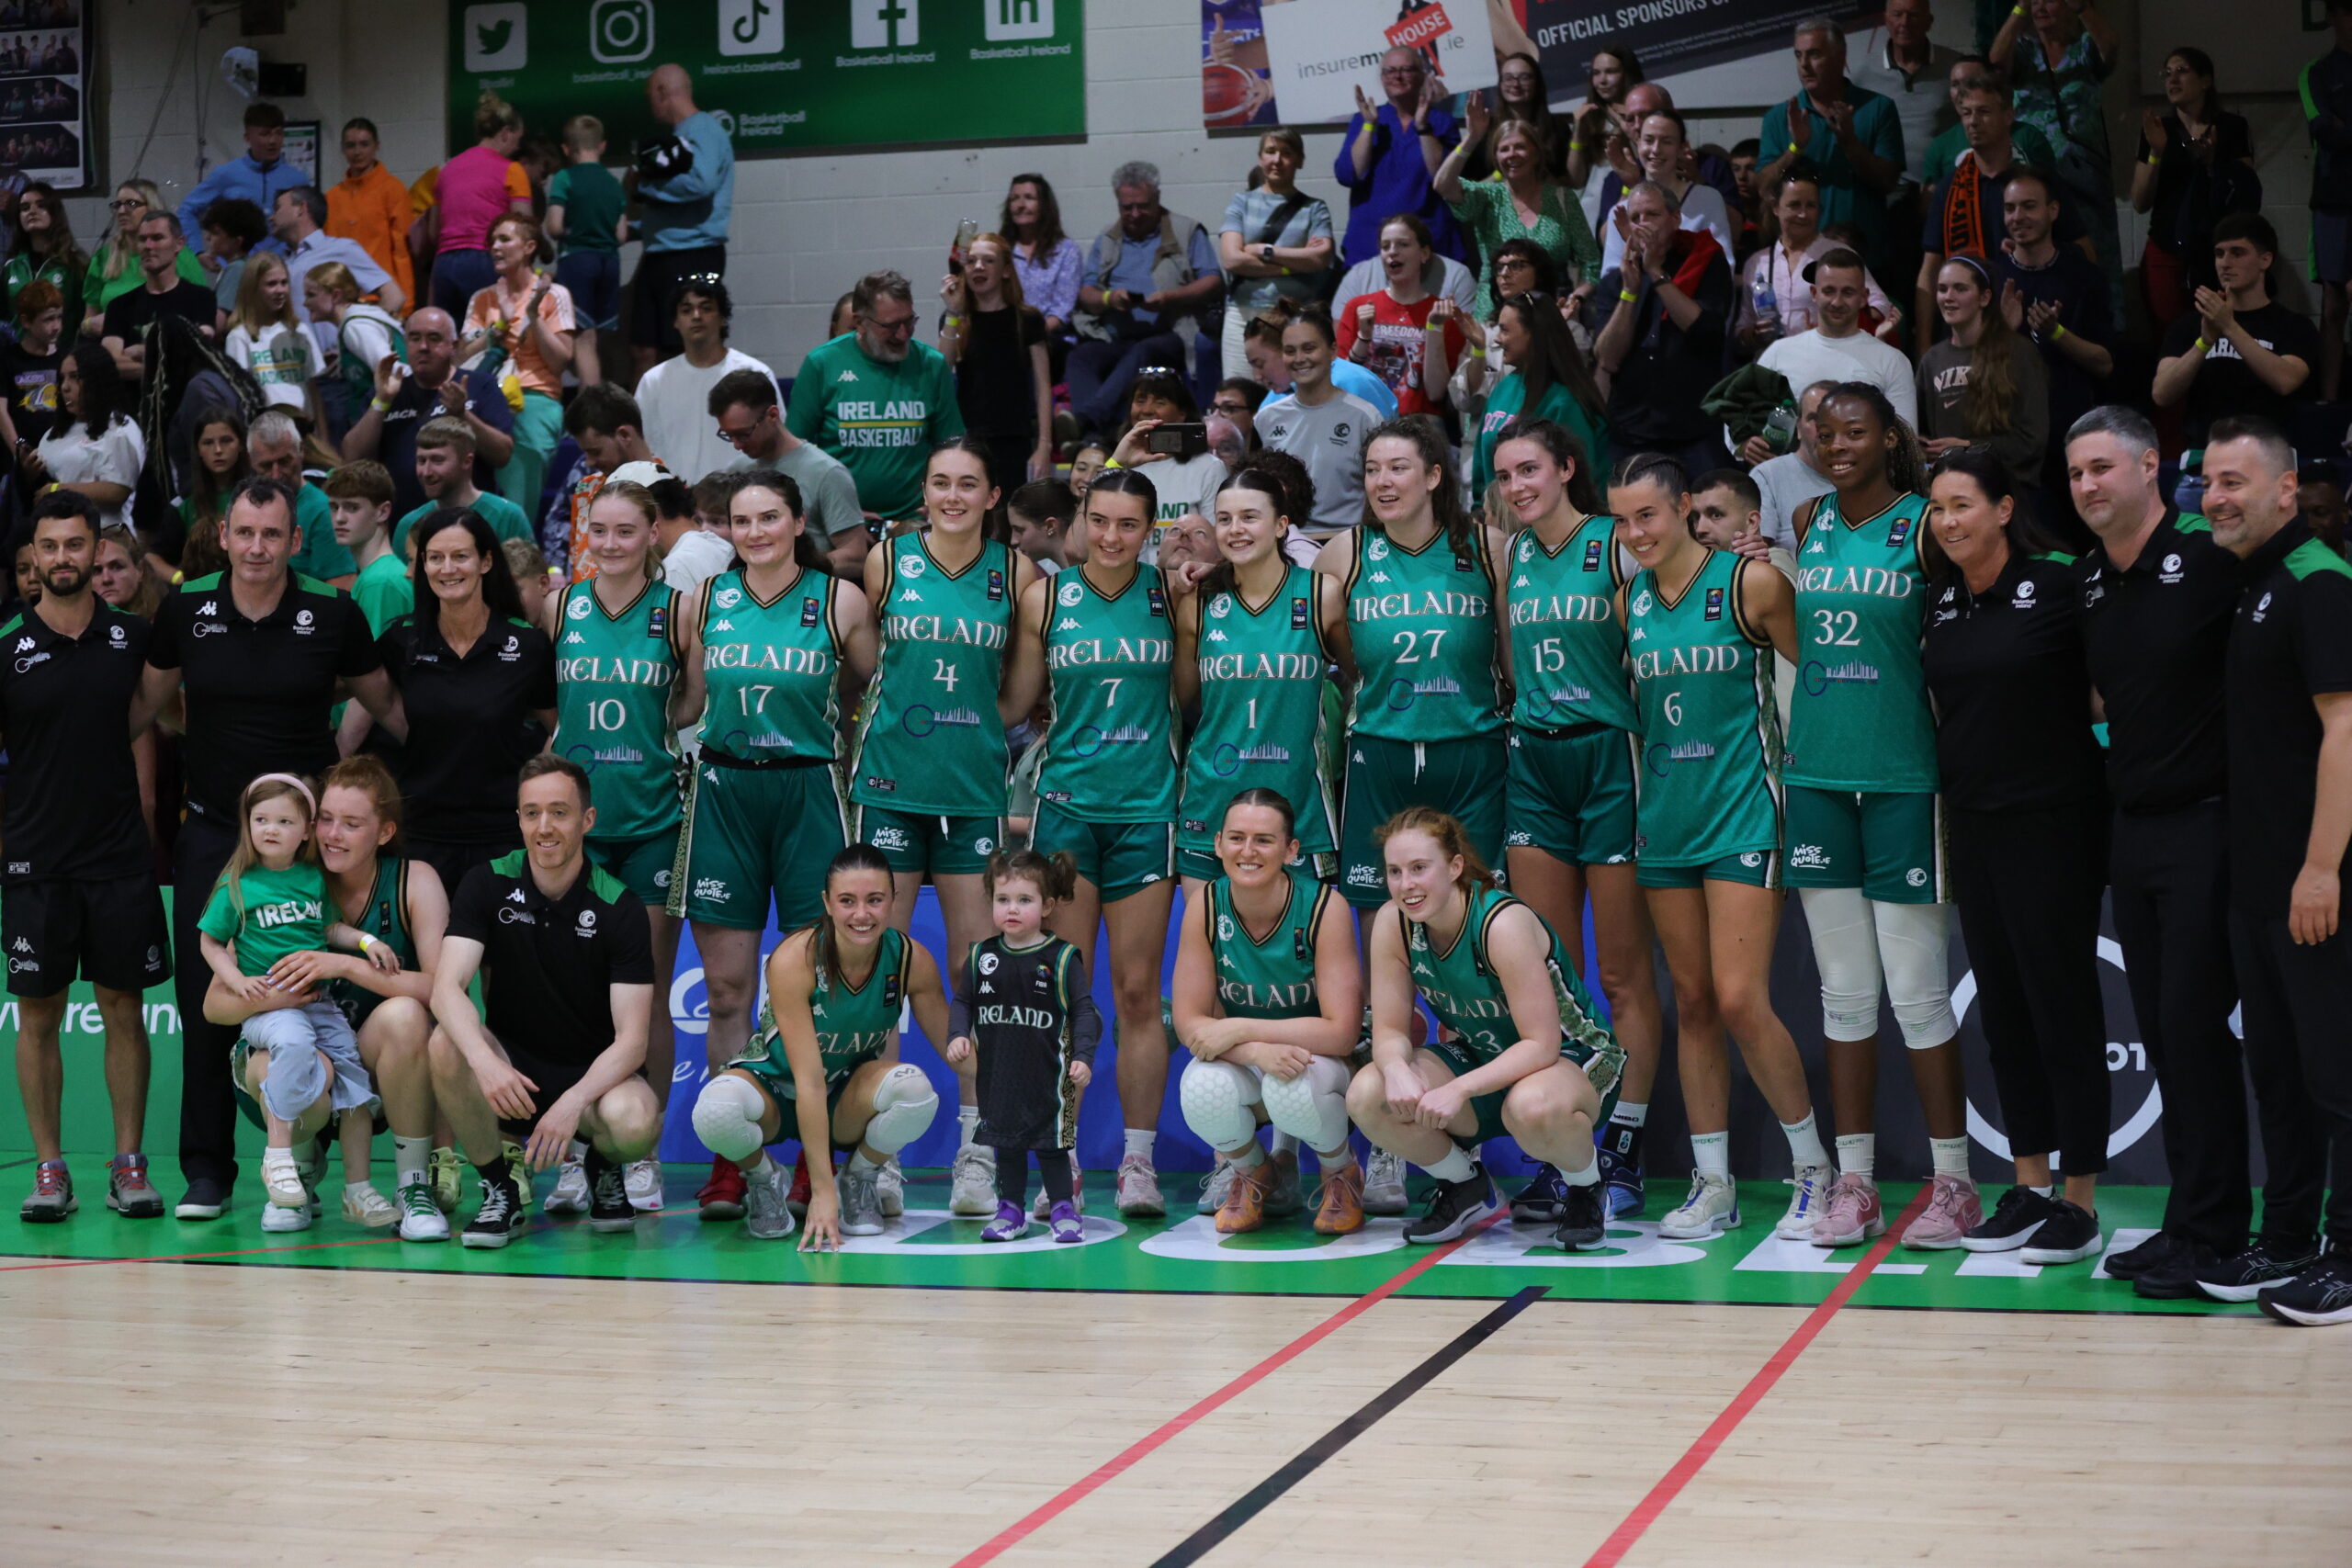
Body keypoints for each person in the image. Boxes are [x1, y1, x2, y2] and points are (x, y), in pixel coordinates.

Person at [134, 476, 404, 1222]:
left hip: (313, 846)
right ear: (223, 536)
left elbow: (384, 704)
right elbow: (143, 709)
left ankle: (324, 1157)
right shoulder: (186, 608)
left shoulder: (331, 609)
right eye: (244, 533)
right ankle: (207, 1171)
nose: (257, 548)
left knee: (323, 995)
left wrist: (353, 784)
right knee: (206, 1001)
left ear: (294, 539)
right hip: (217, 832)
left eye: (272, 535)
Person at [1609, 451, 1835, 1240]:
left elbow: (1826, 675)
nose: (1637, 532)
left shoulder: (1751, 584)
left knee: (1741, 999)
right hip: (1664, 822)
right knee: (1694, 1001)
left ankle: (1816, 1170)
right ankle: (1714, 1184)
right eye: (1624, 519)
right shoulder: (1627, 599)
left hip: (1743, 814)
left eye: (1651, 515)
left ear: (1683, 510)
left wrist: (1814, 767)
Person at [1779, 385, 1977, 1250]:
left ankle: (1956, 1183)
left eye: (1856, 431)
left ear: (1889, 437)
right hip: (1818, 775)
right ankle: (1853, 1180)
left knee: (1919, 997)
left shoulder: (1925, 525)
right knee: (1845, 995)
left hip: (1906, 778)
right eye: (1826, 433)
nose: (1839, 444)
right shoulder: (1808, 518)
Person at [2061, 406, 2244, 1296]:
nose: (2088, 485)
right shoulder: (2091, 581)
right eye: (2074, 474)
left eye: (2101, 467)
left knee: (2193, 1029)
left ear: (2148, 467)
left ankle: (2214, 1232)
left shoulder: (2209, 561)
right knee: (2169, 1040)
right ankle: (2190, 1220)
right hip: (2131, 830)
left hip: (2208, 825)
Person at [1918, 449, 2108, 1266]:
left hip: (2055, 825)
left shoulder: (2061, 583)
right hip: (1976, 826)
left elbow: (2110, 686)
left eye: (1963, 504)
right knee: (2003, 1011)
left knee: (2063, 1007)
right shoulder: (1939, 602)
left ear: (2003, 508)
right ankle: (2028, 1186)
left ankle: (2079, 1200)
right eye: (1938, 509)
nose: (1949, 521)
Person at [672, 471, 876, 1220]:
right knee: (726, 990)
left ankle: (810, 1158)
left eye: (769, 517)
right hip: (725, 791)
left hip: (809, 793)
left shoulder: (840, 601)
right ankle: (736, 1156)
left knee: (815, 994)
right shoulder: (706, 601)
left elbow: (872, 690)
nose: (754, 531)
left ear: (798, 523)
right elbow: (690, 700)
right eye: (741, 520)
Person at [846, 438, 1036, 1218]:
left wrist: (966, 734)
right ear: (922, 492)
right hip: (889, 786)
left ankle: (976, 1148)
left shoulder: (1018, 574)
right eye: (939, 484)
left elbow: (1020, 694)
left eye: (969, 483)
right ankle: (879, 1155)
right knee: (881, 968)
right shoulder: (886, 561)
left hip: (971, 792)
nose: (952, 495)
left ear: (994, 495)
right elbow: (868, 667)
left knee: (972, 973)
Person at [1491, 422, 1665, 1221]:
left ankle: (1625, 1139)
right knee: (1549, 975)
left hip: (1608, 759)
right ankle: (1569, 1149)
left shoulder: (1614, 544)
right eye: (1504, 473)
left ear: (1566, 469)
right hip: (1534, 760)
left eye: (1530, 469)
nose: (1518, 484)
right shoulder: (1511, 553)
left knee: (1623, 972)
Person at [2201, 419, 2352, 1324]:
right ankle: (2288, 1237)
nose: (2218, 497)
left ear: (2286, 490)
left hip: (2312, 879)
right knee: (2282, 1075)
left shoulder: (2319, 583)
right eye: (2209, 482)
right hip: (2256, 880)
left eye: (2236, 482)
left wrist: (2322, 867)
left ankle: (2346, 1256)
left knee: (2336, 1075)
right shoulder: (2252, 581)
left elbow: (2346, 728)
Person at [997, 469, 1179, 1217]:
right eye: (1098, 521)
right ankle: (1059, 1161)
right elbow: (1014, 703)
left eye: (1128, 525)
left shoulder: (1175, 596)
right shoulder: (1047, 598)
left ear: (1150, 530)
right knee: (1059, 996)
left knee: (1136, 994)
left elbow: (1194, 696)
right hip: (1065, 811)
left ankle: (1138, 1163)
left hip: (1146, 809)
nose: (1110, 537)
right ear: (1079, 521)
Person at [1346, 807, 1626, 1248]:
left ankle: (1586, 1188)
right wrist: (1396, 1067)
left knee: (1529, 1106)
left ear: (1455, 867)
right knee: (1368, 1093)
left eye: (1420, 868)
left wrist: (1459, 1090)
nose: (1407, 885)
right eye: (1395, 872)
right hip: (1485, 1055)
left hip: (1575, 1057)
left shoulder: (1501, 923)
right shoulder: (1392, 923)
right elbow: (1389, 1032)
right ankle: (1465, 1185)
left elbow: (1541, 1045)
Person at [2, 492, 171, 1222]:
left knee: (122, 1007)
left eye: (77, 546)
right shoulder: (6, 642)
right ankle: (50, 1169)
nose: (65, 558)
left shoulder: (132, 636)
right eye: (51, 547)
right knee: (36, 1015)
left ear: (95, 554)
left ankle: (128, 1166)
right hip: (36, 861)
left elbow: (147, 715)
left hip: (118, 857)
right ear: (33, 559)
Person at [426, 755, 662, 1247]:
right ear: (518, 820)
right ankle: (499, 1189)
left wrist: (575, 1101)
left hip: (592, 1084)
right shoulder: (486, 882)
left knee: (636, 1120)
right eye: (531, 813)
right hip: (512, 1074)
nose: (544, 827)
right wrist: (485, 1065)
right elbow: (446, 988)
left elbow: (634, 1042)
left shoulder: (620, 907)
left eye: (559, 812)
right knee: (447, 1044)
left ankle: (602, 1167)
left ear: (587, 820)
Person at [540, 482, 693, 1215]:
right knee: (574, 996)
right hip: (576, 829)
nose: (608, 543)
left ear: (653, 534)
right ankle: (577, 1152)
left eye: (625, 531)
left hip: (653, 820)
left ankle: (639, 1152)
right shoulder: (560, 606)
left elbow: (690, 700)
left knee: (646, 993)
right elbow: (552, 703)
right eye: (596, 530)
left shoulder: (677, 611)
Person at [691, 845, 949, 1247]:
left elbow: (956, 1049)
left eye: (875, 900)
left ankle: (859, 1177)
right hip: (775, 1090)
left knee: (916, 1092)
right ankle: (764, 1179)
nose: (861, 914)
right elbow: (808, 1080)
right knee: (714, 1112)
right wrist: (820, 1194)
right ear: (827, 903)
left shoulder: (910, 959)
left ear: (894, 901)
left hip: (843, 1098)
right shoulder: (795, 957)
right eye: (847, 901)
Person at [1317, 419, 1511, 910]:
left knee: (1479, 909)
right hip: (1379, 751)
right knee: (1378, 910)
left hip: (1473, 750)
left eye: (1398, 468)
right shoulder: (1344, 553)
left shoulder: (1488, 550)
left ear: (1432, 476)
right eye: (1372, 470)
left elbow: (1513, 662)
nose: (1382, 481)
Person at [196, 771, 399, 1233]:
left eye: (284, 821)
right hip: (272, 1008)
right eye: (261, 819)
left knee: (356, 1084)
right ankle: (279, 1158)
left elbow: (329, 929)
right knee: (292, 1045)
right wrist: (237, 981)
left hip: (319, 1005)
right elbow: (209, 942)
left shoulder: (311, 878)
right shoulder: (238, 882)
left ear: (306, 830)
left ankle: (358, 1189)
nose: (270, 829)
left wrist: (366, 942)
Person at [1171, 790, 1367, 1233]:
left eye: (1264, 840)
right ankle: (1255, 1171)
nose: (1248, 851)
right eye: (1237, 838)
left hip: (1326, 1063)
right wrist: (1256, 1051)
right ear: (1217, 843)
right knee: (1201, 1087)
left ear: (1291, 849)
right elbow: (1190, 1022)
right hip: (1258, 1057)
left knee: (1292, 1087)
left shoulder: (1322, 906)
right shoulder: (1204, 904)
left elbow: (1341, 1031)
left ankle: (1341, 1174)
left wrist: (1240, 1027)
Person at [359, 504, 556, 894]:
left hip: (503, 836)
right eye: (435, 558)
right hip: (423, 834)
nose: (447, 569)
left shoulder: (527, 644)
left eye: (460, 556)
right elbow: (366, 700)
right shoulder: (402, 640)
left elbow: (559, 729)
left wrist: (534, 800)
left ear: (485, 562)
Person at [1173, 468, 1349, 897]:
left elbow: (1360, 678)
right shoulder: (1198, 602)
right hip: (1211, 799)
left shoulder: (1321, 594)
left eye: (1250, 517)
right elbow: (1178, 703)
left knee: (1297, 957)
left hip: (1298, 803)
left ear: (1281, 525)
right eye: (1225, 518)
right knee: (1212, 947)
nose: (1236, 529)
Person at [939, 849, 1099, 1243]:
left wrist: (1083, 1057)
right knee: (1005, 1145)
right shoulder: (981, 956)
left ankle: (1062, 1206)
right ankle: (1010, 1208)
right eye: (1003, 899)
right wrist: (958, 1035)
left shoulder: (1061, 958)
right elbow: (963, 1002)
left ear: (1047, 906)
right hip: (999, 1076)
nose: (1012, 909)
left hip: (1049, 1077)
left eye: (1024, 900)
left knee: (1050, 1146)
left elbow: (1083, 1012)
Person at [787, 269, 964, 523]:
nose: (903, 333)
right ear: (860, 322)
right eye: (890, 325)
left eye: (909, 321)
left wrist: (942, 498)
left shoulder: (931, 365)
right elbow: (794, 452)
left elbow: (953, 448)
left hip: (915, 521)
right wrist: (833, 510)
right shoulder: (822, 364)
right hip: (840, 522)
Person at [1916, 77, 2086, 333]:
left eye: (1983, 112)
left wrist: (2038, 250)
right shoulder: (1951, 187)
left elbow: (2084, 251)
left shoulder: (2039, 181)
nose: (1973, 121)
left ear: (2008, 116)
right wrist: (1924, 346)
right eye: (1966, 113)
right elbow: (1930, 271)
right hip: (1969, 326)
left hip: (2034, 319)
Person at [1993, 0, 2122, 326]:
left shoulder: (2083, 50)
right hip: (2036, 177)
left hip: (2084, 176)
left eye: (2048, 0)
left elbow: (2110, 47)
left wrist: (2083, 8)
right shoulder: (2024, 51)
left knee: (2095, 257)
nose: (2040, 7)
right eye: (2034, 1)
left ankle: (2102, 329)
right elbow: (1995, 60)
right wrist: (2019, 9)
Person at [1068, 164, 1219, 440]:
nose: (1135, 214)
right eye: (1127, 208)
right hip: (1116, 336)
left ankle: (1088, 426)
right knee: (1081, 357)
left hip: (1170, 335)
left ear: (1157, 199)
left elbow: (1212, 280)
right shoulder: (1107, 238)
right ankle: (1093, 437)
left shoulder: (1187, 231)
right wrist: (1109, 298)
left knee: (1143, 352)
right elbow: (1086, 291)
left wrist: (1171, 297)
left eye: (1143, 206)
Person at [1992, 167, 2113, 514]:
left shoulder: (2083, 276)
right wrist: (2006, 332)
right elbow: (1973, 371)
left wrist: (2056, 333)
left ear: (2053, 211)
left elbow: (2105, 363)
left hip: (2070, 435)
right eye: (2010, 208)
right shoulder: (1992, 277)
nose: (2018, 217)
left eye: (2029, 206)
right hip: (2011, 442)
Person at [1594, 183, 1736, 476]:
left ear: (1675, 219)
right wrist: (1630, 292)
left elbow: (1706, 331)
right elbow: (1607, 358)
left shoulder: (1705, 260)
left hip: (1693, 429)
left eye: (1652, 215)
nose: (1643, 224)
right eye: (1635, 218)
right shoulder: (1619, 277)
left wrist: (1656, 273)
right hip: (1631, 429)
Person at [2153, 215, 2319, 461]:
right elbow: (2162, 394)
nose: (2225, 263)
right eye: (2219, 254)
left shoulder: (2293, 325)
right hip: (2205, 456)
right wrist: (2204, 342)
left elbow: (2286, 380)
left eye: (2237, 253)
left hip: (2267, 456)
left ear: (2265, 260)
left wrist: (2229, 327)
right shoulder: (2191, 325)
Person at [1755, 20, 1906, 275]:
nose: (1804, 65)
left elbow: (1888, 182)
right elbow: (1763, 187)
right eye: (1798, 55)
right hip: (1801, 263)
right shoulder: (1780, 117)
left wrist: (1850, 142)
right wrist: (1796, 147)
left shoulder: (1878, 108)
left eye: (1814, 54)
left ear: (1840, 57)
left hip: (1867, 260)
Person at [341, 307, 515, 520]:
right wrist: (381, 401)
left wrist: (463, 415)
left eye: (434, 338)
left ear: (454, 346)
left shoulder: (479, 385)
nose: (423, 347)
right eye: (414, 338)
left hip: (471, 521)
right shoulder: (390, 391)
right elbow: (353, 458)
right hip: (404, 523)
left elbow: (502, 454)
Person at [1439, 97, 1601, 321]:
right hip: (1496, 319)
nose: (1512, 154)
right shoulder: (1488, 197)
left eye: (1520, 147)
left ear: (1536, 154)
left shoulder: (1563, 199)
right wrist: (1473, 137)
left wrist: (1577, 298)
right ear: (1496, 158)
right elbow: (1442, 184)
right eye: (1504, 149)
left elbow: (1591, 264)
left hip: (1552, 315)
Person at [2132, 49, 2258, 333]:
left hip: (2219, 250)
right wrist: (2155, 152)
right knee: (2172, 336)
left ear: (2205, 81)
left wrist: (2214, 164)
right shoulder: (2158, 129)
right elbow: (2140, 201)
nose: (2172, 79)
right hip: (2167, 248)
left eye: (2182, 70)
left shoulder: (2232, 127)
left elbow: (2247, 195)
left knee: (2221, 335)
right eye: (2167, 73)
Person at [461, 211, 574, 521]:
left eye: (504, 239)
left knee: (519, 479)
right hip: (484, 396)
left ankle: (514, 547)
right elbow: (460, 357)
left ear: (528, 247)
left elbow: (560, 361)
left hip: (533, 396)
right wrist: (493, 332)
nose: (495, 246)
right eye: (492, 241)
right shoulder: (482, 298)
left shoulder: (554, 294)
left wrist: (534, 316)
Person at [627, 64, 735, 378]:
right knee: (643, 347)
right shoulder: (678, 136)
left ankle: (694, 418)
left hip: (692, 254)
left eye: (651, 97)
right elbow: (676, 209)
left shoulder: (703, 130)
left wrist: (644, 187)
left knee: (685, 345)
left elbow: (700, 184)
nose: (650, 105)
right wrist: (634, 229)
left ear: (663, 92)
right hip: (661, 253)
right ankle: (645, 423)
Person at [708, 367, 863, 571]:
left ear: (773, 415)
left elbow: (855, 557)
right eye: (728, 435)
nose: (737, 445)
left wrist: (790, 573)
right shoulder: (737, 470)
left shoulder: (827, 473)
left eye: (743, 434)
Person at [1917, 254, 2049, 490]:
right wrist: (1922, 446)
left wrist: (1968, 447)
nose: (1948, 297)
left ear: (1984, 297)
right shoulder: (1932, 360)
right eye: (1942, 289)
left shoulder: (2019, 352)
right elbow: (1920, 429)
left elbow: (2032, 440)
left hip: (2008, 491)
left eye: (1960, 289)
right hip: (1952, 490)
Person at [1251, 309, 1385, 538]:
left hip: (1350, 541)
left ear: (1332, 351)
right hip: (1283, 542)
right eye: (1290, 351)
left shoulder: (1365, 417)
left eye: (1309, 348)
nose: (1299, 359)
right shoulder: (1266, 418)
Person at [1216, 126, 1337, 383]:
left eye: (1286, 153)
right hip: (1243, 314)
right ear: (1261, 158)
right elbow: (1231, 259)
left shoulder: (1314, 208)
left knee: (1289, 395)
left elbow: (1321, 258)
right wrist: (1294, 263)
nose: (1277, 160)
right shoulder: (1241, 202)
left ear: (1300, 160)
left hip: (1292, 318)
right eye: (1270, 152)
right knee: (1240, 392)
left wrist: (1264, 251)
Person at [633, 277, 775, 485]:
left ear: (723, 317)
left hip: (741, 498)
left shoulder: (754, 372)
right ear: (675, 321)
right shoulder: (653, 381)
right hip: (676, 504)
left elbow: (773, 443)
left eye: (706, 308)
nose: (696, 316)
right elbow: (642, 448)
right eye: (686, 310)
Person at [1332, 48, 1465, 267]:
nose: (1398, 76)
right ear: (1382, 78)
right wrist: (1369, 126)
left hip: (1429, 244)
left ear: (1422, 74)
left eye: (1406, 70)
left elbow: (1445, 180)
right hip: (1370, 246)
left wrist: (1423, 129)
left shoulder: (1441, 123)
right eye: (1390, 71)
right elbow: (1348, 175)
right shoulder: (1364, 120)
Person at [1736, 173, 1898, 353]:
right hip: (1772, 368)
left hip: (1826, 365)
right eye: (1794, 205)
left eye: (1811, 206)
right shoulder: (1758, 262)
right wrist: (1754, 334)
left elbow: (1879, 304)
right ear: (1776, 208)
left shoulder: (1838, 253)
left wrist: (1836, 327)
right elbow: (1743, 326)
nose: (1803, 214)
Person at [1469, 291, 1610, 498]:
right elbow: (1482, 470)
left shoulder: (1565, 403)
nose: (1498, 339)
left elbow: (1581, 486)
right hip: (1496, 524)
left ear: (1533, 333)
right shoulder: (1504, 387)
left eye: (1505, 330)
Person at [941, 231, 1053, 489]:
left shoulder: (1027, 320)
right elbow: (942, 369)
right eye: (971, 261)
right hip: (969, 437)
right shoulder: (958, 318)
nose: (978, 267)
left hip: (1015, 436)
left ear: (1005, 270)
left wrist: (1044, 445)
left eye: (988, 260)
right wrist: (952, 312)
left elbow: (1043, 386)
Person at [1757, 251, 1917, 427]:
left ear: (1864, 297)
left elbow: (1906, 439)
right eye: (1829, 291)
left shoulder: (1892, 361)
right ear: (1814, 293)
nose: (1837, 302)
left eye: (1847, 292)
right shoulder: (1779, 353)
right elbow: (1740, 410)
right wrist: (1745, 444)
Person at [276, 186, 401, 378]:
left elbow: (393, 295)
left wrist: (354, 346)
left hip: (334, 374)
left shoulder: (341, 249)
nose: (271, 216)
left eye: (278, 208)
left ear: (301, 208)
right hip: (296, 373)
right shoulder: (282, 262)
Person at [427, 90, 531, 320]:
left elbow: (433, 233)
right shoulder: (512, 170)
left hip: (445, 266)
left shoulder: (446, 170)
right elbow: (524, 230)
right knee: (493, 337)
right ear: (505, 134)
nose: (516, 147)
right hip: (486, 261)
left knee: (451, 343)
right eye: (517, 139)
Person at [1593, 110, 1733, 279]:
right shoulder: (1622, 209)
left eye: (1666, 142)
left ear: (1682, 147)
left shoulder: (1707, 199)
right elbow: (1610, 277)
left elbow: (1725, 267)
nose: (1656, 150)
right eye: (1648, 140)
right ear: (1637, 143)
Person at [1846, 0, 1964, 188]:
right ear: (1886, 20)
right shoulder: (1863, 74)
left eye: (1914, 15)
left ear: (1929, 21)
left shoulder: (1956, 68)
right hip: (1886, 194)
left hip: (1945, 188)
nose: (1905, 22)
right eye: (1897, 14)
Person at [26, 343, 142, 531]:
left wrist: (58, 490)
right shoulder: (53, 433)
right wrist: (30, 474)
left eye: (75, 377)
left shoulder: (120, 428)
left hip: (105, 535)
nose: (65, 387)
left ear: (97, 380)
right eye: (62, 378)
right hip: (58, 533)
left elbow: (117, 491)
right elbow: (46, 485)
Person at [544, 115, 623, 388]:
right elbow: (621, 234)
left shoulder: (565, 177)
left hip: (578, 260)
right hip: (609, 262)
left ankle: (590, 412)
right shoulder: (613, 183)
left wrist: (572, 231)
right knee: (599, 339)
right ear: (602, 146)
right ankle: (604, 396)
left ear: (566, 149)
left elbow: (553, 226)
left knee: (582, 341)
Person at [388, 418, 533, 558]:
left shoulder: (506, 517)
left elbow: (528, 579)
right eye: (421, 460)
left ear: (466, 461)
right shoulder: (408, 525)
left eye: (437, 460)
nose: (426, 472)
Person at [82, 180, 211, 337]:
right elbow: (88, 318)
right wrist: (90, 325)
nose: (122, 211)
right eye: (118, 205)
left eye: (131, 203)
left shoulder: (179, 255)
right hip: (113, 346)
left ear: (151, 207)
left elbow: (200, 310)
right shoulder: (104, 257)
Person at [175, 101, 305, 254]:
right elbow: (186, 210)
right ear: (247, 138)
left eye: (278, 133)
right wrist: (197, 251)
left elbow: (309, 224)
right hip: (239, 270)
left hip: (284, 269)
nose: (273, 141)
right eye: (265, 134)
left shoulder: (297, 179)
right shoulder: (227, 174)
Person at [98, 212, 215, 382]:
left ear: (179, 244)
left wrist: (143, 351)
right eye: (143, 239)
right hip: (134, 404)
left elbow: (200, 355)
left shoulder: (202, 298)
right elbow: (111, 364)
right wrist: (171, 363)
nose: (148, 246)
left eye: (157, 238)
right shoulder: (120, 305)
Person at [247, 410, 350, 585]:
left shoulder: (322, 511)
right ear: (250, 460)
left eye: (285, 462)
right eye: (265, 465)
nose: (276, 474)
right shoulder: (243, 507)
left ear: (301, 450)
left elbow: (342, 587)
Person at [2307, 0, 2352, 400]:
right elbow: (2326, 131)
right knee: (2335, 303)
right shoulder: (2316, 73)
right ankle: (2329, 403)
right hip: (2335, 201)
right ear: (2333, 15)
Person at [325, 117, 416, 304]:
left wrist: (407, 302)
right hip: (341, 297)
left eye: (364, 144)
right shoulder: (332, 196)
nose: (357, 152)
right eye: (351, 145)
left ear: (377, 146)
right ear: (343, 149)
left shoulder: (393, 189)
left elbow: (402, 251)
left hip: (382, 296)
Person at [221, 251, 317, 415]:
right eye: (271, 284)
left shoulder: (299, 330)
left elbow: (313, 388)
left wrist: (322, 433)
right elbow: (239, 396)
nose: (280, 290)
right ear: (253, 288)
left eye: (284, 283)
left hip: (305, 428)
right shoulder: (239, 337)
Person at [326, 459, 409, 634]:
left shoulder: (380, 581)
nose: (339, 517)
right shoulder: (379, 575)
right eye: (334, 507)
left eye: (352, 507)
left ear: (383, 512)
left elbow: (377, 659)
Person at [1002, 173, 1081, 347]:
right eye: (1015, 199)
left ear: (1044, 206)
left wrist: (1030, 337)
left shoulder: (1066, 250)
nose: (1021, 205)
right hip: (1008, 336)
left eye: (1029, 198)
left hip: (1052, 338)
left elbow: (1062, 311)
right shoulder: (1001, 249)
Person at [1468, 51, 1574, 182]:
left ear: (1537, 83)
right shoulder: (1484, 128)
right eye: (1508, 78)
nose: (1516, 85)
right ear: (1500, 84)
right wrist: (1501, 174)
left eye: (1524, 78)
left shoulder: (1557, 127)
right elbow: (1469, 190)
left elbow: (1571, 181)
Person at [0, 276, 66, 453]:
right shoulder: (7, 359)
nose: (56, 326)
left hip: (59, 450)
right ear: (26, 321)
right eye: (48, 319)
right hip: (20, 452)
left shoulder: (67, 359)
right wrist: (18, 450)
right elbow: (1, 411)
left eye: (59, 317)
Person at [5, 180, 81, 330]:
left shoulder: (73, 264)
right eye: (25, 208)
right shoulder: (11, 266)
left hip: (61, 350)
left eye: (41, 205)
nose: (32, 211)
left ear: (54, 212)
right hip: (16, 351)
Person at [175, 408, 249, 559]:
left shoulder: (260, 496)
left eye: (226, 440)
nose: (218, 450)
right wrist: (181, 578)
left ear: (241, 444)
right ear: (198, 450)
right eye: (208, 443)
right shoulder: (187, 506)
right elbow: (153, 556)